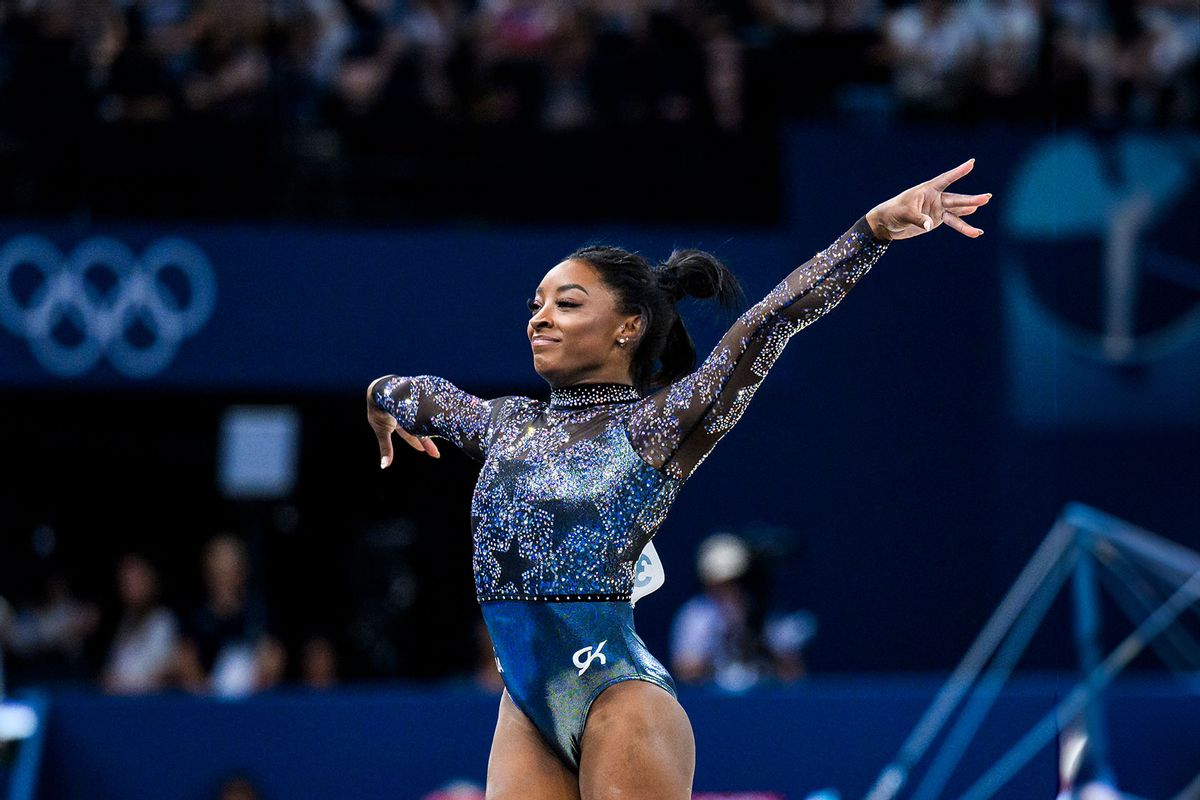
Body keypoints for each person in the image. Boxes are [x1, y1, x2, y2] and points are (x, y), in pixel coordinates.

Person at [366, 159, 989, 799]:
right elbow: (415, 392)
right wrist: (379, 401)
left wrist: (871, 233)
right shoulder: (502, 424)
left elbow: (765, 326)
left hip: (619, 697)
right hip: (527, 705)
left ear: (628, 328)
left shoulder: (655, 427)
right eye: (537, 305)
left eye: (568, 303)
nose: (540, 317)